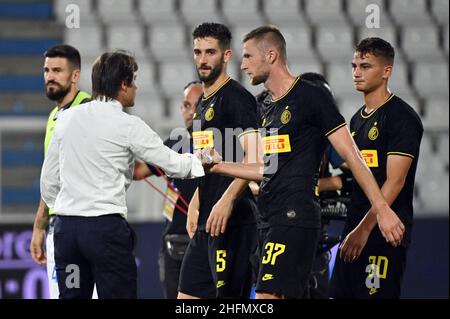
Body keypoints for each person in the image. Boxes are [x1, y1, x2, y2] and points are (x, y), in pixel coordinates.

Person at [207, 25, 405, 299]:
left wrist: (381, 208)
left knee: (266, 298)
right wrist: (223, 181)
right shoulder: (263, 105)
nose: (243, 65)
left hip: (294, 216)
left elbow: (351, 154)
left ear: (272, 55)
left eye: (249, 57)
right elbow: (260, 166)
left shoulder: (311, 97)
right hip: (267, 218)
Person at [39, 50, 206, 299]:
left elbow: (48, 181)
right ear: (123, 85)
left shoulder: (65, 119)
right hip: (104, 230)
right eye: (134, 81)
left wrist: (66, 209)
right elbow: (175, 164)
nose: (136, 88)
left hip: (67, 232)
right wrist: (205, 160)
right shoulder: (128, 125)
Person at [329, 37, 423, 299]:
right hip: (355, 228)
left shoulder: (401, 117)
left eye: (365, 66)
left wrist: (364, 229)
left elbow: (396, 181)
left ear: (386, 71)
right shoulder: (357, 119)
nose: (357, 72)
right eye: (354, 65)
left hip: (384, 232)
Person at [177, 22, 262, 299]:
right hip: (206, 223)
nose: (203, 59)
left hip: (234, 220)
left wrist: (227, 199)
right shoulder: (203, 103)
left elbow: (256, 159)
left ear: (226, 56)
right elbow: (207, 163)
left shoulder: (238, 99)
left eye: (210, 52)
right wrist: (196, 204)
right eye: (198, 52)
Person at [29, 44, 92, 299]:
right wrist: (39, 226)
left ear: (75, 76)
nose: (50, 76)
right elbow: (50, 177)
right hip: (60, 225)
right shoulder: (54, 116)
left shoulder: (88, 111)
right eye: (46, 70)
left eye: (57, 70)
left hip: (86, 223)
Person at [133, 81, 203, 299]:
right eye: (185, 105)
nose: (190, 111)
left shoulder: (222, 144)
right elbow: (138, 171)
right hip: (173, 242)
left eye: (197, 105)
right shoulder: (175, 143)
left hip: (205, 240)